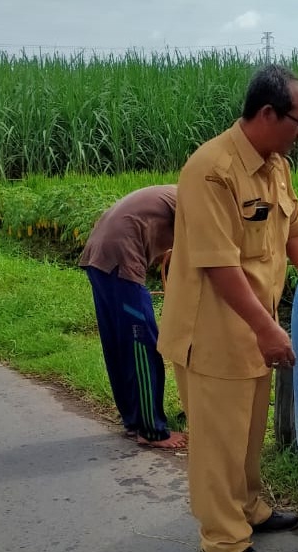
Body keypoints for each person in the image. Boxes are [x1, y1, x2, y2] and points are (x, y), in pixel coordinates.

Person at [156, 65, 298, 552]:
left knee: (247, 432)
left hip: (252, 326)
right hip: (211, 331)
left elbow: (295, 234)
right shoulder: (212, 170)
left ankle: (248, 507)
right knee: (218, 443)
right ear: (268, 113)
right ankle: (224, 537)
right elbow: (219, 265)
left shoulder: (275, 165)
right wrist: (268, 329)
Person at [78, 184, 187, 449]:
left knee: (120, 343)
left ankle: (133, 420)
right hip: (121, 259)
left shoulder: (174, 193)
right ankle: (151, 430)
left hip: (100, 257)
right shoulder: (194, 199)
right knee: (143, 344)